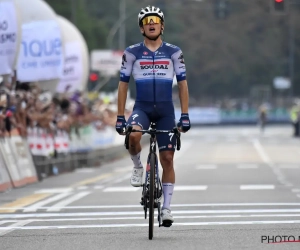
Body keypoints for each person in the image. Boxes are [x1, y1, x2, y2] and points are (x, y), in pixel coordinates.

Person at [115, 5, 190, 227]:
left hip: (166, 110)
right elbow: (122, 86)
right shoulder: (131, 53)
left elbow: (183, 85)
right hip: (142, 108)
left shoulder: (174, 52)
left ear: (162, 25)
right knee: (134, 136)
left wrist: (184, 115)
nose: (151, 24)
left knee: (167, 158)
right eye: (146, 21)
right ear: (141, 28)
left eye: (155, 20)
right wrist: (120, 116)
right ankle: (138, 166)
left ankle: (166, 208)